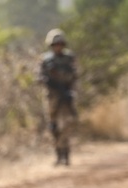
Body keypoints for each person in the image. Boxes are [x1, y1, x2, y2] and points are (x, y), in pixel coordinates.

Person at [39, 28, 78, 166]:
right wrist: (48, 81)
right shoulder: (45, 60)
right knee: (53, 126)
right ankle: (58, 154)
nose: (58, 47)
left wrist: (68, 89)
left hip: (66, 94)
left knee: (67, 124)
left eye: (60, 44)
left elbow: (74, 75)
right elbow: (40, 77)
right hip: (52, 96)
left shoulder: (69, 58)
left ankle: (66, 154)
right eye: (55, 44)